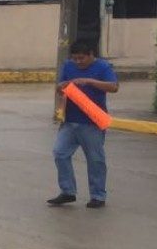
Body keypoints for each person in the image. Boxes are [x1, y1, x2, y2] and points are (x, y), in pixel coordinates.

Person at [48, 40, 119, 208]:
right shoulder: (68, 66)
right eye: (75, 59)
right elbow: (60, 86)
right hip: (70, 119)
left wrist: (89, 81)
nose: (78, 62)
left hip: (92, 120)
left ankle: (98, 195)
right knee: (60, 153)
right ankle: (68, 191)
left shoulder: (103, 67)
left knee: (95, 159)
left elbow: (114, 87)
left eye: (81, 58)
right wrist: (61, 86)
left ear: (91, 55)